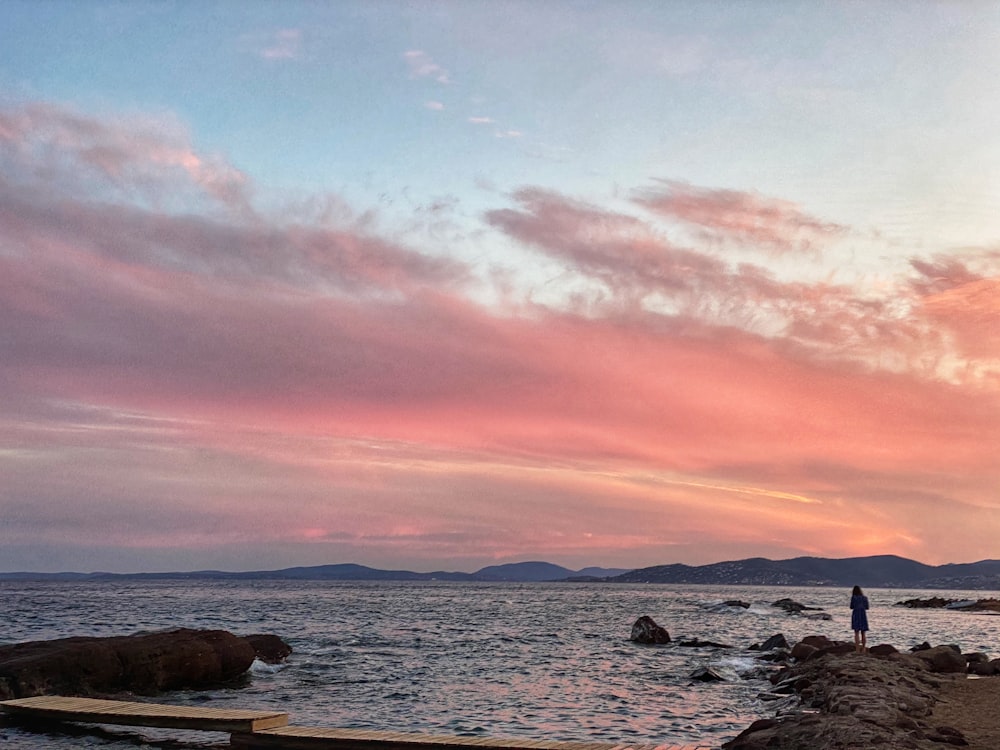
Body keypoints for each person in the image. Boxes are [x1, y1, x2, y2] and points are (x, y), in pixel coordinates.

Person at [850, 585, 870, 653]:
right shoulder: (865, 598)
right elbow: (867, 607)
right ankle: (864, 648)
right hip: (863, 614)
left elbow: (851, 606)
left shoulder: (854, 597)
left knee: (856, 632)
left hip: (856, 614)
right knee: (863, 633)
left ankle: (857, 649)